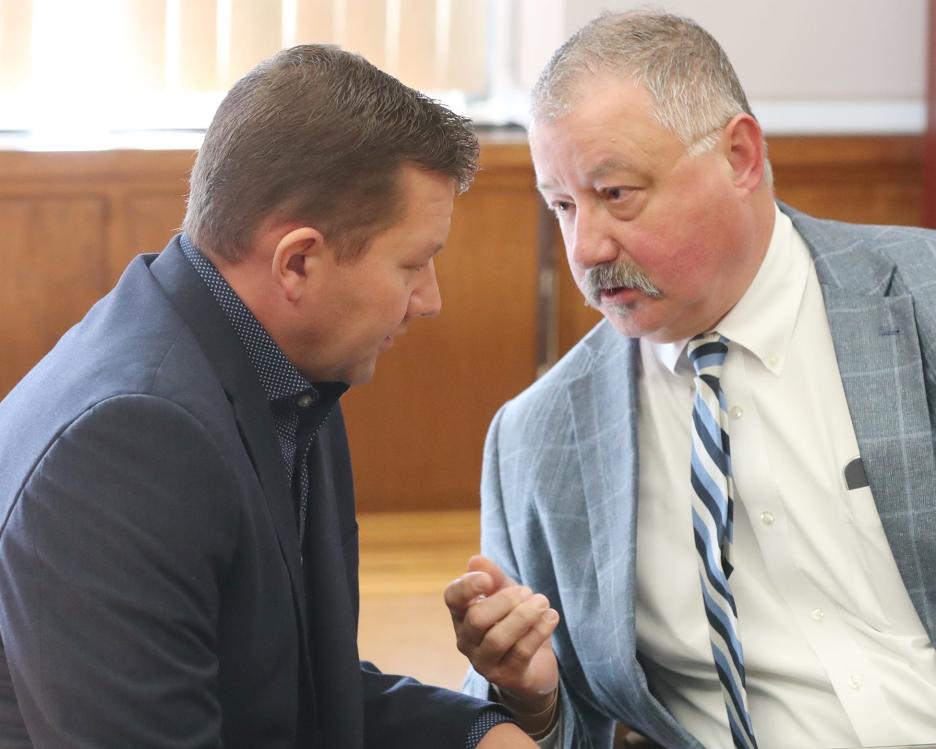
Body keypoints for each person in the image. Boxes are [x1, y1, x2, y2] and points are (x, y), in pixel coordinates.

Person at [444, 10, 936, 749]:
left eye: (616, 192)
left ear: (740, 155)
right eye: (561, 205)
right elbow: (558, 728)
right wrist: (531, 698)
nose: (586, 247)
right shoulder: (537, 439)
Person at [0, 44, 538, 749]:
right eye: (414, 264)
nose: (429, 300)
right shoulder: (125, 443)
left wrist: (484, 733)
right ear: (299, 261)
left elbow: (295, 694)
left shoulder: (288, 369)